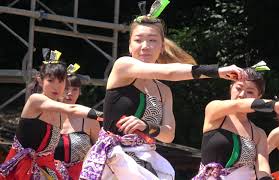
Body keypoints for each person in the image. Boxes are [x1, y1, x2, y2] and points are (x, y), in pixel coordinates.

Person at [80, 2, 247, 179]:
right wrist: (216, 71)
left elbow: (168, 135)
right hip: (114, 160)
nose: (145, 46)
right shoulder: (123, 67)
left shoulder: (163, 91)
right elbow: (170, 72)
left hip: (146, 159)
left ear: (161, 47)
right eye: (138, 40)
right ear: (129, 46)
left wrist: (146, 126)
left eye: (152, 40)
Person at [0, 49, 103, 180]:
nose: (56, 86)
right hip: (21, 169)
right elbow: (72, 108)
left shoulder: (60, 111)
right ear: (40, 80)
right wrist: (106, 116)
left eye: (61, 81)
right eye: (51, 80)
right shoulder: (36, 100)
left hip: (48, 171)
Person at [192, 65, 279, 180]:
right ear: (231, 87)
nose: (242, 95)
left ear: (259, 97)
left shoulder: (258, 133)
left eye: (250, 92)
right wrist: (271, 105)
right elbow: (238, 105)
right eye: (238, 88)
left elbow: (262, 166)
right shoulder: (214, 111)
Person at [54, 63, 100, 179]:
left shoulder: (89, 118)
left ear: (80, 92)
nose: (70, 93)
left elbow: (99, 151)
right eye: (66, 89)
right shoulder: (46, 115)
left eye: (75, 89)